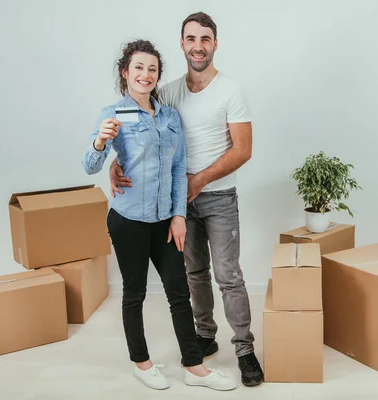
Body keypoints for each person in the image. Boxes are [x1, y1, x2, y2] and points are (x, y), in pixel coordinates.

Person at [109, 13, 264, 387]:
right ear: (182, 44)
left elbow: (243, 150)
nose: (198, 46)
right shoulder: (169, 91)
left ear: (215, 44)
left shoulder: (231, 90)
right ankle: (205, 335)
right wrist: (115, 162)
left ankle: (244, 349)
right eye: (191, 38)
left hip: (218, 197)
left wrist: (199, 180)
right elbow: (141, 135)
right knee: (194, 275)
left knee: (228, 276)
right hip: (177, 205)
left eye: (205, 39)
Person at [82, 39, 236, 392]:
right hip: (129, 221)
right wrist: (100, 144)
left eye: (152, 69)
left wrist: (179, 215)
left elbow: (179, 165)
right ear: (125, 72)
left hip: (166, 220)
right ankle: (142, 363)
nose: (145, 74)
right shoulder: (113, 114)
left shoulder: (169, 116)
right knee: (133, 293)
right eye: (138, 67)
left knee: (179, 293)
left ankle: (194, 367)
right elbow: (90, 166)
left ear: (157, 76)